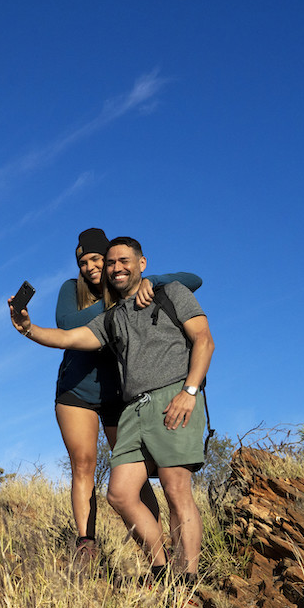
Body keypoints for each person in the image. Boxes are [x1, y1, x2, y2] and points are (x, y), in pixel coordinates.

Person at [10, 236, 214, 608]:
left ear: (141, 263)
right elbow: (68, 335)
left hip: (173, 397)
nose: (116, 268)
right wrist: (27, 327)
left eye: (123, 261)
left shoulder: (170, 292)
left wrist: (189, 390)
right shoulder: (111, 317)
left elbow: (204, 340)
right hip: (133, 408)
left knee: (175, 487)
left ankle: (186, 583)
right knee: (119, 494)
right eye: (111, 264)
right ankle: (163, 572)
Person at [54, 228, 202, 563]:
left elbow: (193, 279)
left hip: (121, 394)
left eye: (97, 259)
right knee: (84, 464)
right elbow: (65, 324)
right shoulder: (77, 291)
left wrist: (153, 281)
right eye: (83, 262)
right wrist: (117, 304)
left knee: (133, 473)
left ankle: (157, 552)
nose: (90, 266)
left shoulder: (133, 283)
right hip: (77, 390)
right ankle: (86, 544)